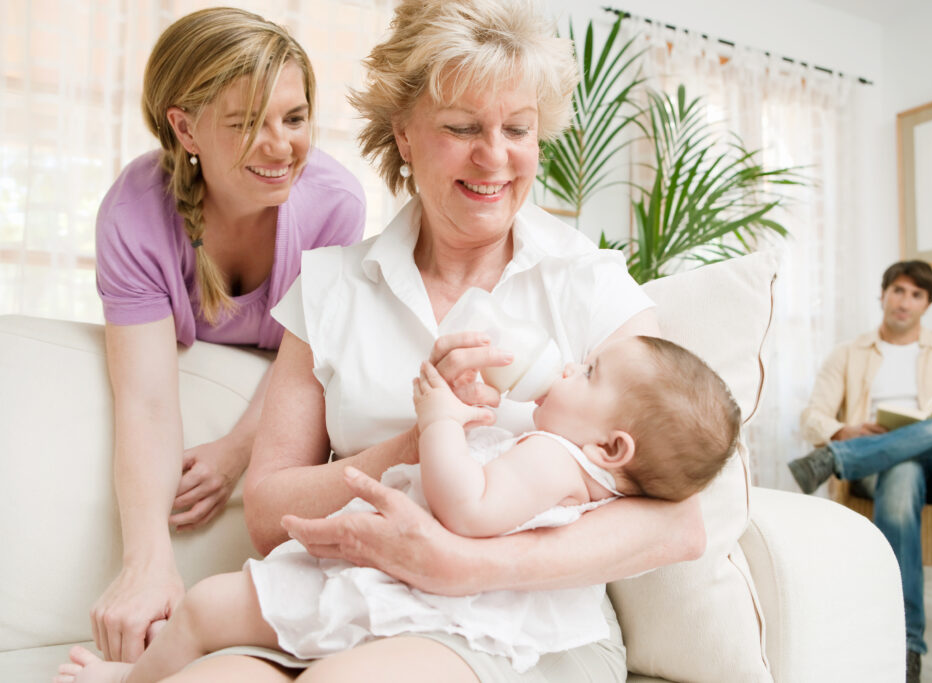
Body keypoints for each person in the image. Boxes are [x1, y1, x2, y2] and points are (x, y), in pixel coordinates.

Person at [131, 1, 716, 680]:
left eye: (518, 129)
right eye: (462, 126)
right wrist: (416, 442)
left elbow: (681, 523)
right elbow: (267, 511)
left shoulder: (587, 283)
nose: (494, 157)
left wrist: (464, 563)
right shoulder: (330, 287)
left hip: (518, 627)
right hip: (339, 601)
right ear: (404, 134)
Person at [54, 335, 741, 683]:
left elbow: (468, 508)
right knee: (209, 609)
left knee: (205, 606)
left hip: (436, 610)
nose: (565, 366)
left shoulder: (554, 458)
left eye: (587, 372)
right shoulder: (562, 449)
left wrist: (439, 421)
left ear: (613, 445)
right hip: (389, 586)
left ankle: (129, 678)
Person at [89, 7, 366, 664]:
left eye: (293, 118)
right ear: (185, 126)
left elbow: (310, 360)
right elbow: (146, 400)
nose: (280, 146)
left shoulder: (335, 203)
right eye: (247, 124)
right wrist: (147, 563)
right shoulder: (132, 213)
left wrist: (236, 449)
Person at [790, 259, 932, 683]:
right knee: (904, 466)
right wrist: (847, 429)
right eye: (898, 290)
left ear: (928, 304)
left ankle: (839, 459)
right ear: (883, 294)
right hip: (886, 472)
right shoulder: (847, 353)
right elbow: (811, 417)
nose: (905, 301)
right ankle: (906, 646)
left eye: (916, 294)